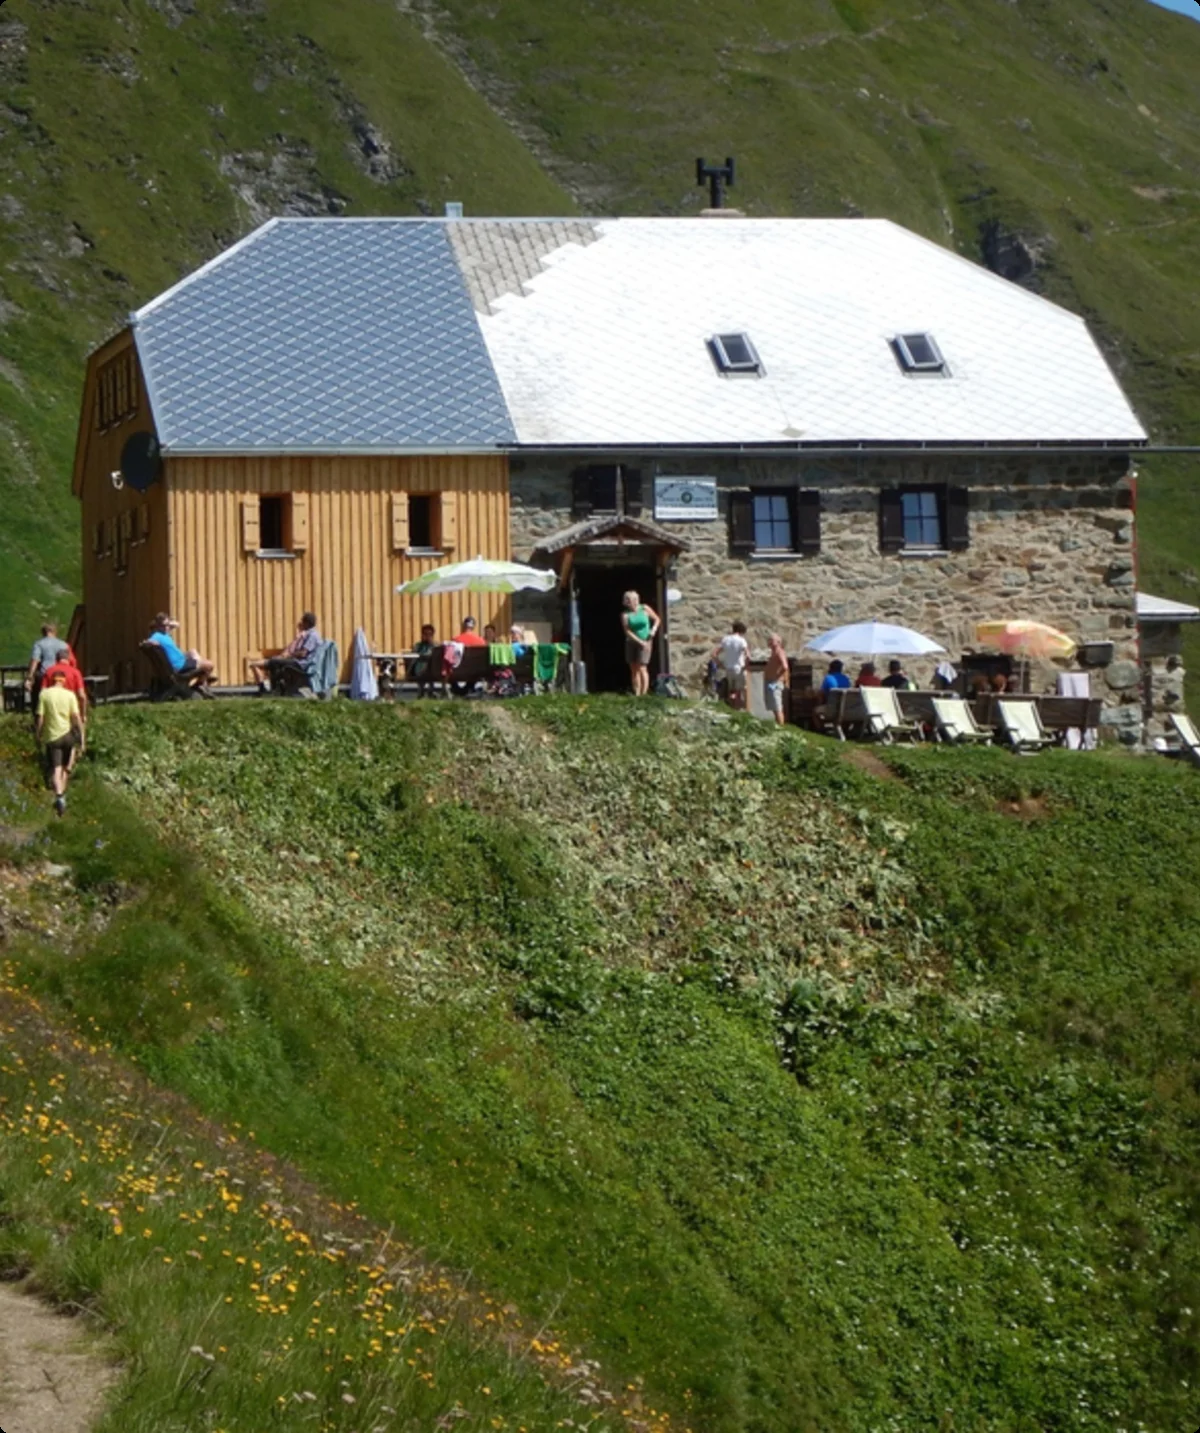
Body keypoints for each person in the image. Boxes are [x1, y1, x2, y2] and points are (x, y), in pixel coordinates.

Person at [36, 668, 84, 817]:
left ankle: (59, 796)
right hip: (67, 735)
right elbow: (76, 717)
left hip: (53, 737)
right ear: (64, 681)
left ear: (52, 681)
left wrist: (38, 734)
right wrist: (82, 739)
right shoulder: (70, 695)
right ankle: (63, 788)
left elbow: (41, 717)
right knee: (65, 765)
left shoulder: (44, 694)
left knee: (56, 768)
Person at [250, 612, 321, 693]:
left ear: (307, 623)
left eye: (303, 622)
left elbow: (303, 653)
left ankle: (274, 688)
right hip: (300, 662)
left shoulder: (312, 635)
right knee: (276, 661)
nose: (301, 624)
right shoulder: (310, 634)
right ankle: (276, 688)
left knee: (275, 661)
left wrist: (289, 655)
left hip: (303, 664)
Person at [40, 649, 88, 757]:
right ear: (69, 659)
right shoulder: (75, 672)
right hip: (71, 708)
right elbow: (82, 695)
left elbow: (42, 692)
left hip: (53, 709)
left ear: (56, 659)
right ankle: (71, 761)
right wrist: (83, 714)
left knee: (54, 738)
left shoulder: (49, 671)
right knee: (73, 737)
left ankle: (53, 761)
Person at [148, 613, 216, 688]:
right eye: (163, 625)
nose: (166, 627)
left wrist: (168, 623)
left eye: (167, 625)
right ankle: (200, 682)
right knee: (209, 664)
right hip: (179, 665)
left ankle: (203, 672)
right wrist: (152, 642)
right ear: (158, 625)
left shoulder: (164, 633)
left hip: (180, 660)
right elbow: (149, 641)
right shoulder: (157, 636)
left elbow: (177, 624)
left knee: (192, 651)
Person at [621, 590, 660, 697]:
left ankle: (644, 693)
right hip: (632, 642)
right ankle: (637, 693)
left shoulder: (645, 608)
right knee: (633, 668)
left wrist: (653, 630)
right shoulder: (625, 615)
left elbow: (657, 619)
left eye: (633, 599)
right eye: (628, 600)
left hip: (646, 640)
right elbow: (627, 631)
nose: (631, 602)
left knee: (642, 667)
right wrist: (639, 641)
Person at [24, 622, 69, 709]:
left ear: (43, 632)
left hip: (43, 675)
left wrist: (30, 676)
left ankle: (38, 714)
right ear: (55, 632)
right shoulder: (63, 644)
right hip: (60, 675)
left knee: (39, 699)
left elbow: (35, 660)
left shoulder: (39, 644)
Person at [714, 620, 750, 711]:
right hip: (739, 668)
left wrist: (720, 664)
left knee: (731, 690)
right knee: (741, 690)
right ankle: (742, 709)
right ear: (741, 632)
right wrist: (746, 666)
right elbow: (748, 655)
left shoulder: (725, 639)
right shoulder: (741, 640)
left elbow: (714, 654)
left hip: (728, 668)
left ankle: (732, 708)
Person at [763, 633, 790, 727]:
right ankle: (777, 725)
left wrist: (777, 675)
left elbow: (785, 666)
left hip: (775, 682)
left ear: (778, 642)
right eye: (769, 640)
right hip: (770, 682)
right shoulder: (773, 653)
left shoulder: (780, 652)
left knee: (777, 705)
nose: (769, 642)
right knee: (773, 706)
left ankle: (781, 727)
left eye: (772, 640)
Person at [410, 623, 438, 697]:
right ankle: (422, 690)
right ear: (422, 634)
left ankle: (430, 691)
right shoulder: (418, 646)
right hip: (420, 669)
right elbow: (413, 657)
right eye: (425, 634)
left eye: (430, 634)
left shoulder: (435, 647)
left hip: (432, 670)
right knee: (423, 670)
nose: (427, 636)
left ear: (432, 635)